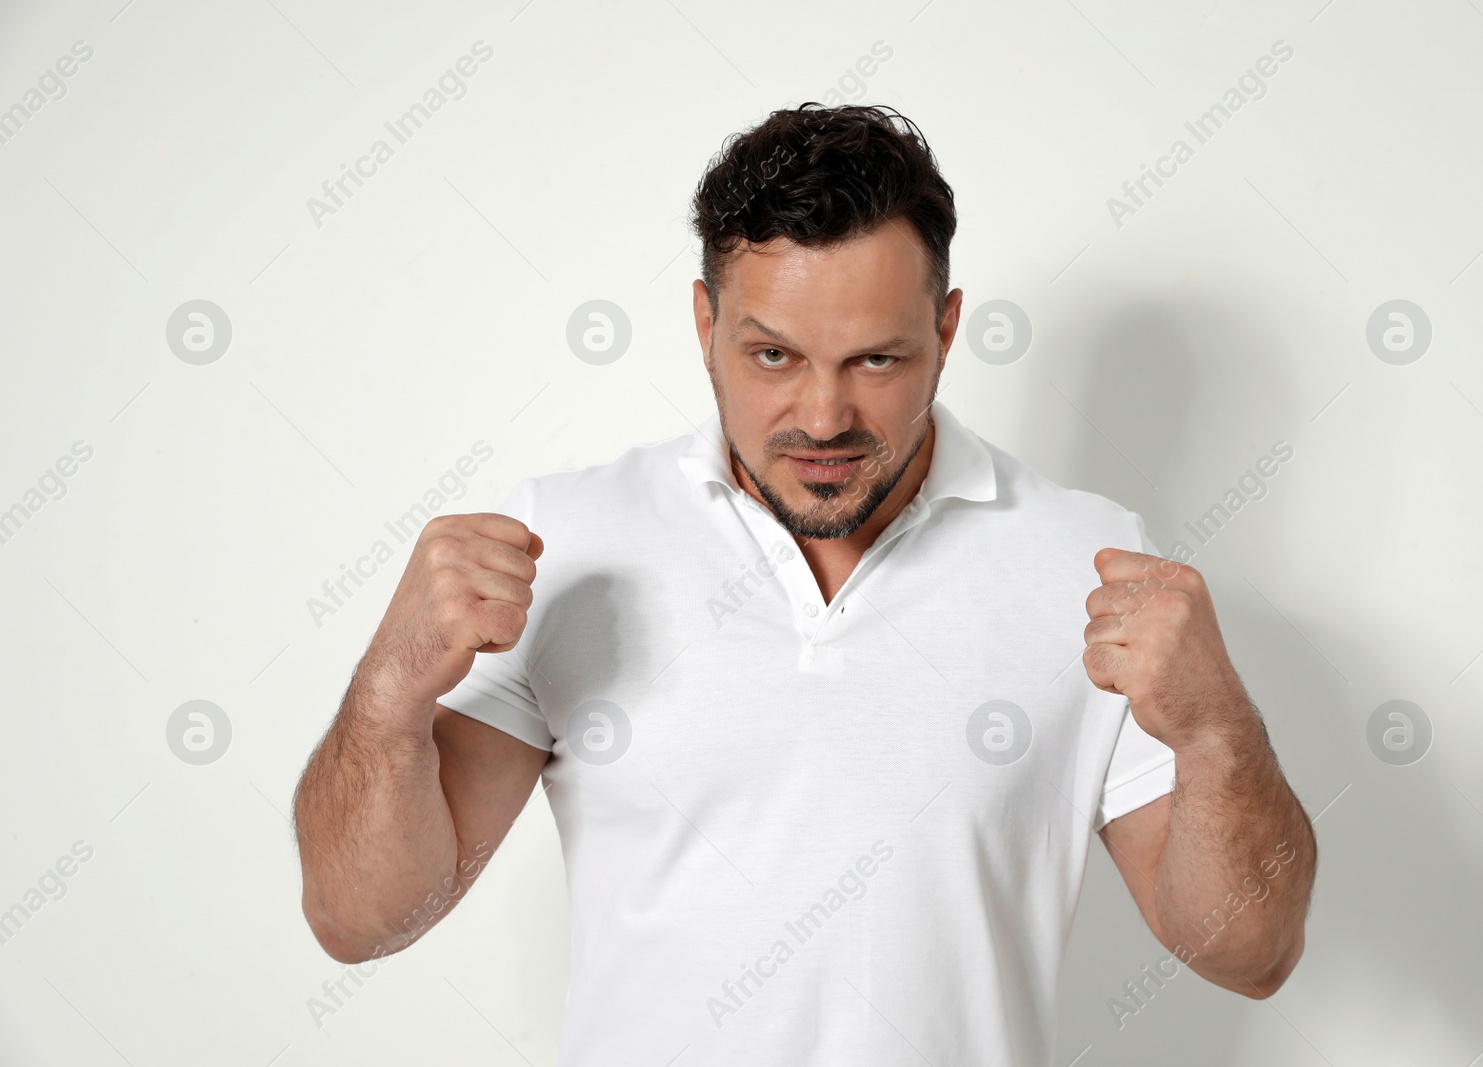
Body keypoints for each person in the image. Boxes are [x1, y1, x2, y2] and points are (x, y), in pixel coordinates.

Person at [292, 102, 1316, 1065]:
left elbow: (1248, 952)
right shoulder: (567, 537)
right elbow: (362, 919)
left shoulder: (1089, 561)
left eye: (876, 359)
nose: (822, 417)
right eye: (772, 355)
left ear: (946, 331)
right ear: (704, 324)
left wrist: (1218, 728)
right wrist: (389, 693)